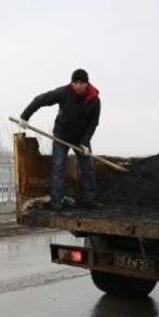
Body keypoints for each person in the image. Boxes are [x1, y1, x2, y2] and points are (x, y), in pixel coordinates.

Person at [18, 68, 102, 210]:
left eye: (81, 83)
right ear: (72, 83)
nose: (78, 86)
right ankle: (56, 201)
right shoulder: (64, 93)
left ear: (87, 84)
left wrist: (85, 142)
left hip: (81, 139)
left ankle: (89, 199)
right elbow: (40, 100)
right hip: (61, 135)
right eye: (75, 82)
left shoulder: (94, 100)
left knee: (88, 168)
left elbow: (93, 123)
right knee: (58, 167)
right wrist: (25, 116)